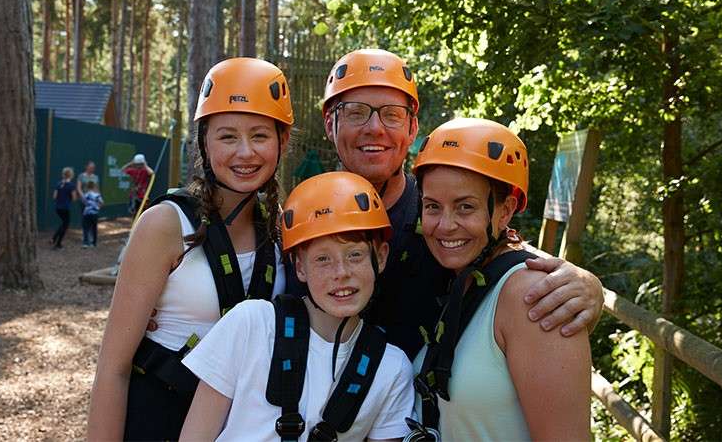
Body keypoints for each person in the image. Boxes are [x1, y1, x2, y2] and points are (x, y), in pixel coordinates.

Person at [320, 49, 604, 359]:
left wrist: (587, 285)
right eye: (356, 112)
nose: (374, 128)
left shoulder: (440, 217)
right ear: (329, 123)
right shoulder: (302, 219)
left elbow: (503, 254)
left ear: (412, 129)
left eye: (392, 114)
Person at [87, 58, 293, 441]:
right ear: (204, 142)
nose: (245, 152)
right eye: (227, 136)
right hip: (159, 417)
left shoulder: (282, 230)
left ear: (282, 142)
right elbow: (113, 368)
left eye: (260, 135)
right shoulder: (166, 224)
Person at [180, 172, 414, 442]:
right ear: (300, 267)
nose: (341, 273)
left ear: (381, 256)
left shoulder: (391, 369)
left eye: (355, 255)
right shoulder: (252, 325)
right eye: (323, 259)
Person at [412, 118, 590, 440]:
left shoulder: (533, 298)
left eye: (465, 207)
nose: (445, 225)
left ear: (505, 210)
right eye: (432, 206)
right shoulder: (461, 281)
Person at [51, 166, 76, 249]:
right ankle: (58, 244)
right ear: (71, 175)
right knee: (65, 225)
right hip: (65, 208)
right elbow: (74, 198)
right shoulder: (71, 185)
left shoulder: (59, 184)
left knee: (63, 223)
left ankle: (54, 238)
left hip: (58, 208)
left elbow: (54, 196)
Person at [81, 181, 103, 248]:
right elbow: (101, 202)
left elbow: (84, 202)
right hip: (94, 213)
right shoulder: (97, 195)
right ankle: (94, 243)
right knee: (94, 228)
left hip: (87, 213)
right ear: (94, 187)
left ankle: (85, 243)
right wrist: (97, 207)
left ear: (87, 187)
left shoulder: (86, 194)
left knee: (86, 228)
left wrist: (88, 205)